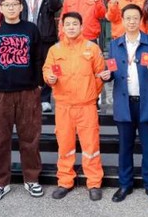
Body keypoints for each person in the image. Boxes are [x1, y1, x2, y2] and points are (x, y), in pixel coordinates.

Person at [0, 0, 44, 202]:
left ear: (21, 7)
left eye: (14, 4)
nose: (11, 8)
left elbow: (38, 58)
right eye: (7, 5)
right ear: (0, 8)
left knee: (30, 138)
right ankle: (0, 183)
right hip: (0, 93)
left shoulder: (31, 29)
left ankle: (32, 179)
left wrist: (38, 84)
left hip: (28, 92)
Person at [106, 4, 148, 204]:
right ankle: (125, 184)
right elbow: (111, 69)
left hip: (147, 102)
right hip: (125, 103)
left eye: (135, 18)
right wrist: (107, 76)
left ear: (140, 20)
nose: (131, 22)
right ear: (122, 20)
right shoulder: (114, 45)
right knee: (125, 146)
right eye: (128, 18)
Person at [43, 12, 106, 201]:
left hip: (86, 106)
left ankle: (94, 182)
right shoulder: (55, 50)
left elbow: (100, 74)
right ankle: (65, 181)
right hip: (63, 106)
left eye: (75, 24)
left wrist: (90, 94)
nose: (71, 27)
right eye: (67, 24)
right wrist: (49, 78)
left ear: (81, 26)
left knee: (91, 146)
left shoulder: (91, 48)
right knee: (65, 146)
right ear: (62, 27)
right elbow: (47, 70)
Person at [20, 0, 62, 113]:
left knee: (46, 66)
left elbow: (55, 7)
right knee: (28, 66)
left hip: (45, 36)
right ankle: (29, 97)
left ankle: (45, 99)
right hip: (27, 35)